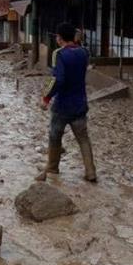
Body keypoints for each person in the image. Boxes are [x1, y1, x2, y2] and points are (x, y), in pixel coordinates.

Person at [38, 22, 96, 182]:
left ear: (59, 38)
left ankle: (52, 167)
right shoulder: (84, 52)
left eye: (57, 36)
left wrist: (46, 98)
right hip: (80, 103)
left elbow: (58, 79)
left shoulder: (59, 54)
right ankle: (90, 172)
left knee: (55, 136)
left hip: (62, 105)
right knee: (83, 138)